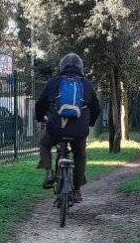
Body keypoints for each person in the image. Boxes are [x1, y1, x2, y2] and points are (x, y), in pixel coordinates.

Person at [35, 53, 100, 203]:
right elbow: (96, 108)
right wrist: (89, 123)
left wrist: (39, 117)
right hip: (79, 131)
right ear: (80, 67)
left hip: (56, 128)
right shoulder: (86, 85)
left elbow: (41, 104)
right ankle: (77, 190)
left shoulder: (54, 83)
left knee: (45, 144)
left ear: (62, 66)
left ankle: (49, 172)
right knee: (80, 155)